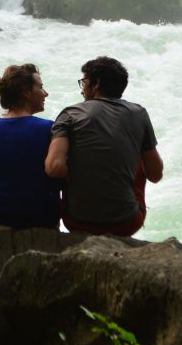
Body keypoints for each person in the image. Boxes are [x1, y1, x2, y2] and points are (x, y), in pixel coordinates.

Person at [44, 56, 163, 237]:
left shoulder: (71, 114)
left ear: (96, 84)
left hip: (76, 221)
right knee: (139, 158)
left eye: (84, 82)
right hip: (127, 223)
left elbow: (53, 168)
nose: (82, 90)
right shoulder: (139, 113)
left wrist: (82, 168)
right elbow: (155, 174)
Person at [0, 63, 62, 229]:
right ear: (26, 93)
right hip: (40, 217)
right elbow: (58, 181)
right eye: (40, 87)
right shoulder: (49, 128)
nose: (46, 93)